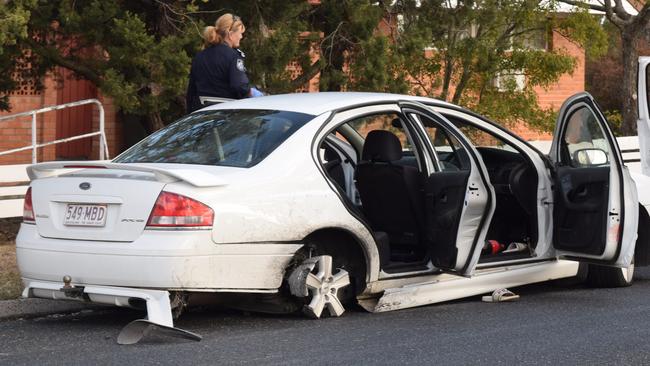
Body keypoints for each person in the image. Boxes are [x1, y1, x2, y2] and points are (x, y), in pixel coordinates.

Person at [186, 13, 264, 113]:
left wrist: (190, 115)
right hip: (226, 115)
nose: (241, 36)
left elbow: (191, 91)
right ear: (230, 34)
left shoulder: (200, 56)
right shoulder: (233, 56)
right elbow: (239, 86)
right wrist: (251, 92)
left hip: (202, 115)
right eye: (240, 33)